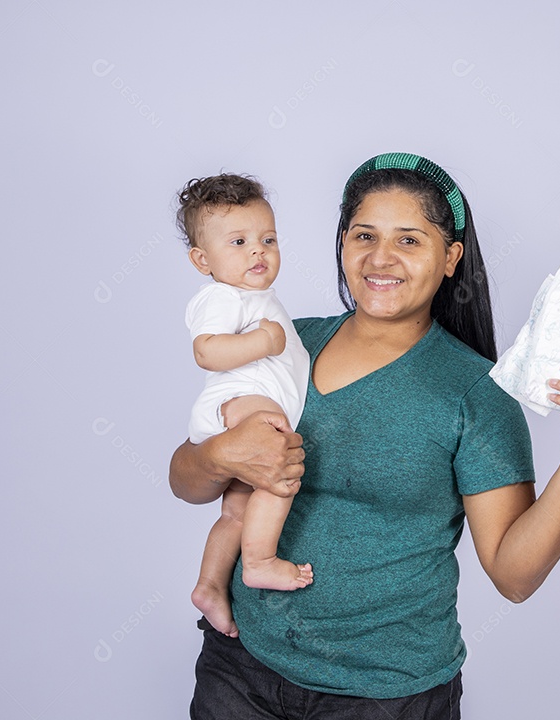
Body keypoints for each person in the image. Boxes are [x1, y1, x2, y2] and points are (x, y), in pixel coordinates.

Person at [170, 153, 560, 719]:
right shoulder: (282, 342)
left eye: (409, 240)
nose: (380, 258)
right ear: (342, 244)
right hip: (241, 668)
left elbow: (513, 576)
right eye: (364, 235)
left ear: (451, 257)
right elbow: (186, 481)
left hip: (386, 694)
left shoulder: (475, 395)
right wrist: (217, 454)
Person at [178, 174, 314, 640]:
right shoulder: (222, 295)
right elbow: (207, 352)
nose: (257, 251)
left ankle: (210, 585)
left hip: (244, 404)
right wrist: (264, 340)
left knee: (236, 513)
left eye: (267, 239)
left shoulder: (254, 294)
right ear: (202, 260)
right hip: (243, 404)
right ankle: (259, 561)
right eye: (238, 242)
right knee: (281, 464)